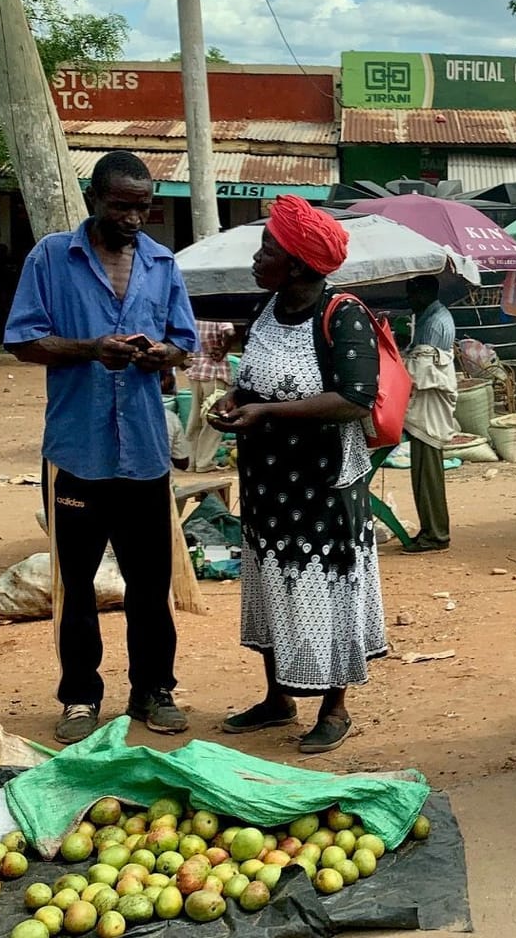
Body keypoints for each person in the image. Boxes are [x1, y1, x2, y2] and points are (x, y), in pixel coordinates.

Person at [5, 150, 198, 743]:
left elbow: (184, 342)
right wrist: (91, 348)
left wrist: (164, 355)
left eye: (144, 207)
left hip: (143, 452)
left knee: (149, 582)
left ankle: (153, 691)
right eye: (122, 206)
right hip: (77, 451)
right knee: (77, 584)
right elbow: (21, 340)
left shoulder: (163, 264)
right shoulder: (51, 258)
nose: (134, 218)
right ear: (94, 199)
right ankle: (80, 698)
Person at [212, 197, 388, 753]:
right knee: (270, 585)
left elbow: (356, 400)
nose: (257, 258)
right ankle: (278, 697)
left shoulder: (343, 314)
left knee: (327, 590)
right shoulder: (269, 308)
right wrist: (235, 398)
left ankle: (335, 708)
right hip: (268, 483)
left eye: (268, 249)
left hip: (324, 487)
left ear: (298, 264)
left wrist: (266, 413)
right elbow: (259, 378)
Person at [402, 275, 458, 551]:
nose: (409, 300)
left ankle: (435, 535)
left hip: (428, 411)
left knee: (428, 477)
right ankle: (431, 531)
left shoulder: (435, 322)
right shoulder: (430, 316)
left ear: (423, 293)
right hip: (427, 408)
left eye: (411, 294)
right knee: (425, 475)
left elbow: (421, 371)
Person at [184, 319, 236, 472]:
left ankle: (191, 462)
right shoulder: (218, 315)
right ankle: (205, 463)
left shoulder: (194, 313)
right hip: (214, 370)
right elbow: (230, 332)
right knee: (213, 417)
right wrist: (222, 349)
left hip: (195, 369)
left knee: (194, 417)